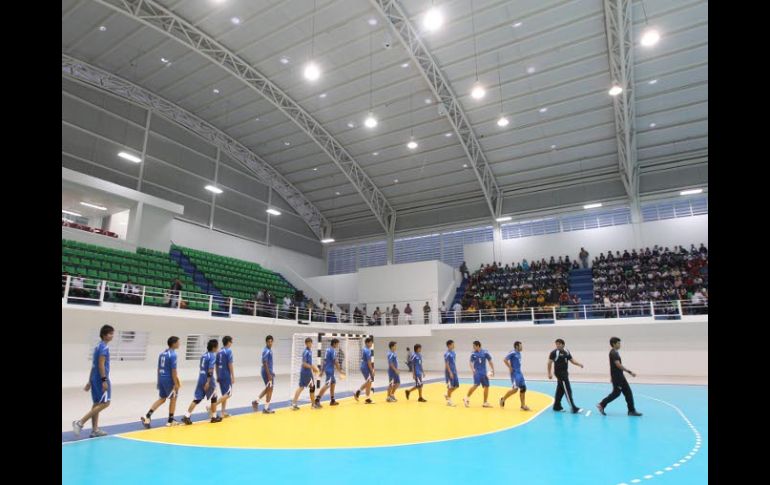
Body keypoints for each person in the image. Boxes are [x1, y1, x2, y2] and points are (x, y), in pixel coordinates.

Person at [72, 325, 114, 438]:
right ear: (104, 335)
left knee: (97, 404)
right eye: (110, 333)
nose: (112, 336)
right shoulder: (104, 348)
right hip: (101, 378)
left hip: (95, 378)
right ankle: (80, 422)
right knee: (106, 403)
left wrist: (90, 381)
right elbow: (100, 365)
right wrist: (104, 380)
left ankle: (94, 430)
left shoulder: (97, 347)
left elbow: (93, 366)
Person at [141, 336, 182, 428]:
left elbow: (159, 368)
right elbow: (173, 370)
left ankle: (147, 416)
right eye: (178, 342)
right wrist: (176, 383)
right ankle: (170, 420)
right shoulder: (173, 355)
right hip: (169, 380)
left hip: (162, 378)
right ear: (174, 343)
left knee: (162, 398)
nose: (179, 344)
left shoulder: (162, 354)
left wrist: (159, 381)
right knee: (173, 399)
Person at [597, 337, 642, 417]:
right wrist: (629, 371)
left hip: (620, 376)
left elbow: (612, 366)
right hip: (618, 377)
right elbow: (618, 365)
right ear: (614, 344)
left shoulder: (615, 352)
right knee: (616, 393)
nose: (620, 345)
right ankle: (602, 404)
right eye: (618, 343)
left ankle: (631, 411)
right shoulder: (613, 353)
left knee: (628, 392)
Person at [181, 339, 221, 424]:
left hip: (201, 377)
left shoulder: (204, 355)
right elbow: (210, 370)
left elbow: (202, 367)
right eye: (217, 346)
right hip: (208, 379)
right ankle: (214, 417)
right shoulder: (212, 356)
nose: (218, 348)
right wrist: (208, 381)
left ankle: (186, 416)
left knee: (197, 398)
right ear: (214, 347)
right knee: (214, 397)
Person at [547, 338, 584, 413]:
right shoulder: (554, 353)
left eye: (559, 344)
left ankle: (557, 406)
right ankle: (573, 408)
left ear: (563, 344)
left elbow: (572, 360)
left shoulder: (566, 351)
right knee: (567, 390)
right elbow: (549, 363)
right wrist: (549, 373)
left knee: (560, 390)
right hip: (560, 374)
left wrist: (579, 364)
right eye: (556, 344)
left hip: (565, 373)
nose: (557, 345)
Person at [463, 341, 494, 407]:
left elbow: (490, 360)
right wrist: (473, 369)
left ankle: (485, 402)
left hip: (484, 372)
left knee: (487, 386)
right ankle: (466, 397)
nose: (473, 347)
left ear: (478, 346)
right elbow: (471, 362)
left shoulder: (485, 352)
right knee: (476, 385)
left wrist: (492, 369)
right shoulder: (473, 354)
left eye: (474, 346)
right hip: (477, 372)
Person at [500, 341, 530, 410]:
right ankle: (503, 399)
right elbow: (505, 359)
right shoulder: (512, 352)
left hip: (519, 373)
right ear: (517, 346)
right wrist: (510, 367)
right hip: (515, 374)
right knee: (515, 389)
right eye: (520, 346)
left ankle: (522, 406)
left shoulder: (519, 353)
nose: (522, 347)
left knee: (523, 388)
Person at [315, 338, 345, 406]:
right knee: (327, 384)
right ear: (334, 343)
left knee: (333, 383)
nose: (338, 345)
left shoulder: (327, 350)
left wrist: (322, 371)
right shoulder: (333, 351)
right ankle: (317, 400)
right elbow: (336, 362)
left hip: (328, 369)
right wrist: (340, 371)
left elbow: (325, 361)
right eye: (337, 344)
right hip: (330, 370)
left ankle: (332, 400)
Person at [291, 337, 319, 410]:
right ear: (306, 343)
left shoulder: (310, 351)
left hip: (307, 372)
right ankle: (313, 405)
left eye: (311, 343)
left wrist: (314, 368)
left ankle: (294, 403)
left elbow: (309, 363)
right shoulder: (306, 352)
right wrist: (313, 368)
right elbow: (304, 364)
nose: (310, 344)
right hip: (306, 372)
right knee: (309, 387)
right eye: (308, 343)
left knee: (304, 387)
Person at [252, 335, 276, 414]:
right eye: (268, 342)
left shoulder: (270, 350)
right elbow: (265, 363)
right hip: (266, 372)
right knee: (270, 389)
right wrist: (269, 374)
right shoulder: (266, 351)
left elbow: (269, 363)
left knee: (268, 388)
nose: (270, 343)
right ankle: (266, 408)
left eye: (271, 341)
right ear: (266, 342)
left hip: (268, 371)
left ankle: (256, 401)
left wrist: (272, 372)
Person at [216, 336, 235, 418]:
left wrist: (217, 375)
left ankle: (223, 412)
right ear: (228, 342)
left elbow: (216, 365)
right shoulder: (229, 351)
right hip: (226, 375)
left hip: (220, 374)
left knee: (224, 394)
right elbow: (230, 364)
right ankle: (211, 407)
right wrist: (233, 376)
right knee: (229, 394)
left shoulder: (219, 351)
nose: (232, 343)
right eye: (231, 341)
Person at [354, 337, 376, 404]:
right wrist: (372, 371)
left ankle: (358, 392)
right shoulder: (367, 350)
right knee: (369, 382)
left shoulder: (365, 349)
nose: (371, 344)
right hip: (365, 367)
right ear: (367, 343)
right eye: (370, 342)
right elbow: (369, 362)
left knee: (368, 382)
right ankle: (367, 399)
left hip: (364, 367)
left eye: (372, 342)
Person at [444, 340, 459, 407]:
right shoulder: (447, 354)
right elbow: (446, 364)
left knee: (456, 386)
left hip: (454, 371)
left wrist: (455, 370)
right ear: (449, 345)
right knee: (451, 386)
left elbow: (453, 363)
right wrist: (450, 372)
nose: (454, 345)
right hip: (449, 372)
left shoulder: (453, 353)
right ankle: (449, 402)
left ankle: (447, 395)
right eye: (453, 344)